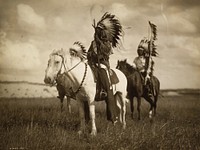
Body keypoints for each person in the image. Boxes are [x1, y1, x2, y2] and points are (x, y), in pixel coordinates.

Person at [87, 12, 122, 123]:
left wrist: (98, 54)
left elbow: (105, 54)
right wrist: (90, 56)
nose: (97, 33)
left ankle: (113, 116)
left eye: (99, 31)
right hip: (92, 64)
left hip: (102, 65)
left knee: (108, 87)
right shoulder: (93, 43)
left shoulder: (107, 43)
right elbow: (89, 53)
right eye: (96, 31)